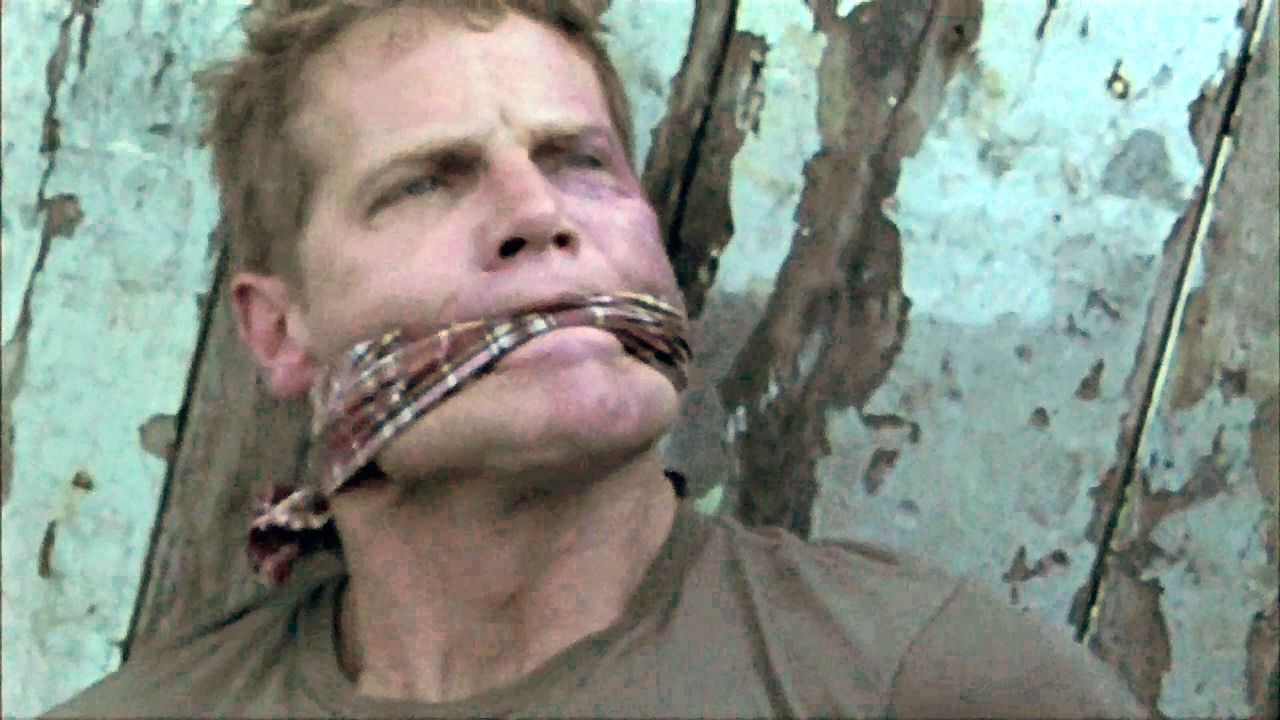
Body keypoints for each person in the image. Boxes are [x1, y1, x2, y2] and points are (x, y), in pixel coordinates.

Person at [49, 1, 1146, 717]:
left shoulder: (931, 684)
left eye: (580, 162)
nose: (538, 214)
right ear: (280, 331)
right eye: (425, 181)